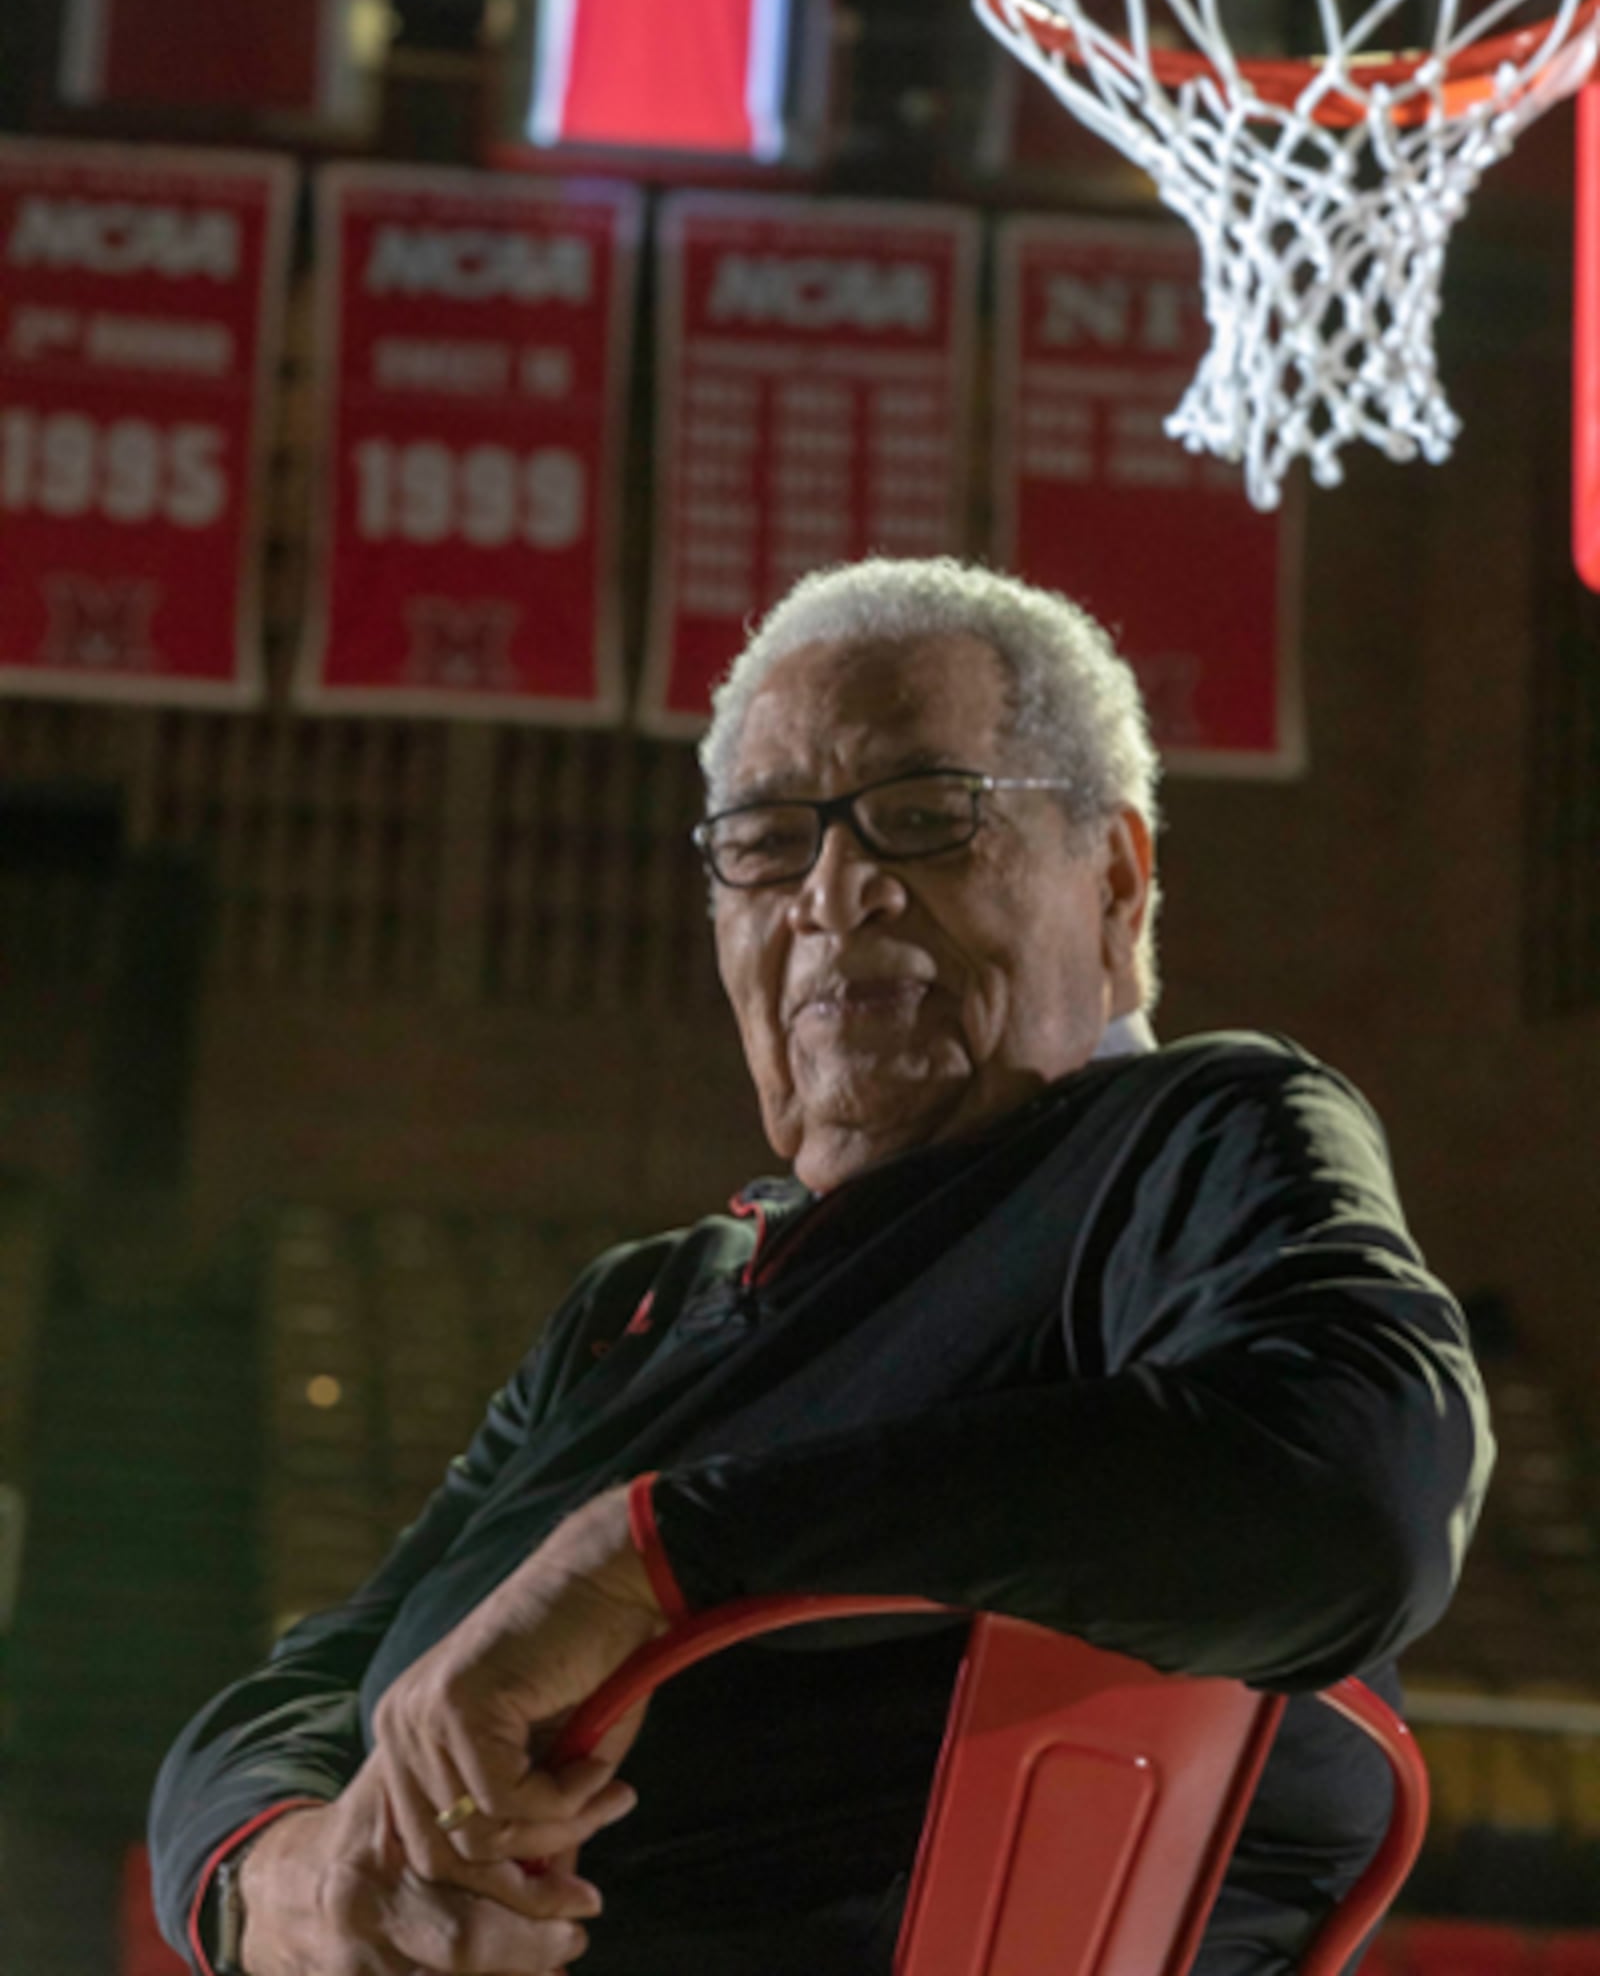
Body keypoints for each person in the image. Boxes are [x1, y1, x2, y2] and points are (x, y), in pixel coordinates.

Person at [150, 556, 1491, 1976]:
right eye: (769, 843)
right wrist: (281, 1882)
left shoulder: (1184, 1140)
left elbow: (1353, 1488)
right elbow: (307, 1682)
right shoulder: (635, 1307)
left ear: (1113, 878)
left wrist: (647, 1559)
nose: (834, 896)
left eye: (922, 820)